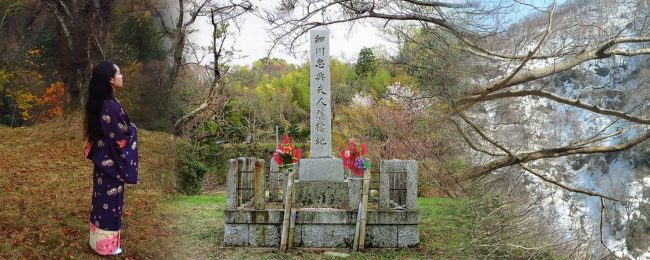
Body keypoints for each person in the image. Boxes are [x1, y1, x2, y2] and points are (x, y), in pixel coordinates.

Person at [83, 61, 138, 256]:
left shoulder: (103, 103)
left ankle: (97, 242)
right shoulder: (110, 106)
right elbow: (120, 138)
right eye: (119, 73)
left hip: (103, 163)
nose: (122, 76)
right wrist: (133, 130)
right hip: (111, 165)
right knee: (111, 204)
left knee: (100, 202)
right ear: (110, 80)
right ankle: (107, 247)